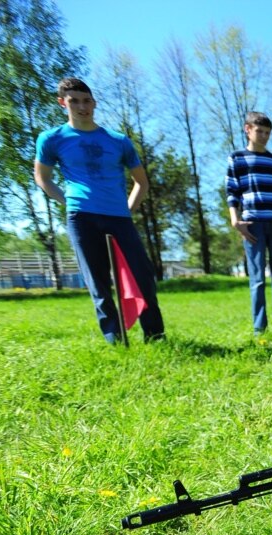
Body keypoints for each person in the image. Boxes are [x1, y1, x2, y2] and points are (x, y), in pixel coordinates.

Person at [34, 77, 165, 344]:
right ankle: (114, 340)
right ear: (62, 103)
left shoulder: (118, 141)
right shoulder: (52, 139)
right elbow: (43, 178)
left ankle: (155, 336)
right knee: (98, 282)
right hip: (81, 217)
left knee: (143, 276)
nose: (82, 107)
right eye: (74, 102)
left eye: (86, 101)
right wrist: (68, 201)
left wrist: (127, 209)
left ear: (94, 103)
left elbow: (142, 182)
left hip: (119, 217)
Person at [224, 111, 272, 334]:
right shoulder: (237, 158)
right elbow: (232, 191)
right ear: (248, 130)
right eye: (260, 131)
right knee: (257, 279)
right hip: (253, 224)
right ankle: (260, 328)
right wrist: (235, 219)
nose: (264, 136)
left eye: (268, 132)